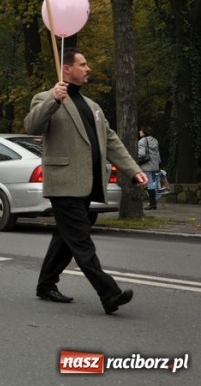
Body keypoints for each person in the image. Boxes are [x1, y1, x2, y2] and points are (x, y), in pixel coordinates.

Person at [24, 47, 147, 315]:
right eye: (83, 64)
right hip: (64, 183)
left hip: (88, 184)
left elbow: (111, 140)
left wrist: (132, 169)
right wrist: (53, 101)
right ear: (66, 69)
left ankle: (46, 284)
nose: (88, 68)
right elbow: (31, 126)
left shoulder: (93, 106)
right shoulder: (46, 98)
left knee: (66, 237)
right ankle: (109, 293)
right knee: (81, 241)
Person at [138, 126, 162, 210]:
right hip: (155, 165)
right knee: (153, 183)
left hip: (146, 165)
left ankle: (152, 203)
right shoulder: (155, 140)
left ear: (144, 132)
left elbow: (141, 154)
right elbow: (157, 154)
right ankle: (153, 202)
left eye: (140, 131)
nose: (139, 132)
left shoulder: (142, 141)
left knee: (149, 184)